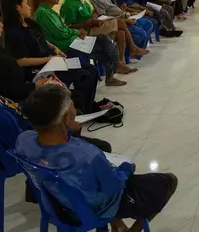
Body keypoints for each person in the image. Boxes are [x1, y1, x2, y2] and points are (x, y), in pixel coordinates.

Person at [16, 84, 177, 232]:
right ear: (65, 116)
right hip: (92, 210)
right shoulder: (88, 155)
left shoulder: (23, 141)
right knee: (168, 181)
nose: (74, 107)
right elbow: (114, 187)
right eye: (71, 103)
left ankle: (117, 224)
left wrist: (69, 132)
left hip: (56, 203)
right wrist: (126, 169)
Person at [0, 0, 104, 113]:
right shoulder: (13, 33)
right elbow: (21, 61)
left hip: (52, 61)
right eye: (26, 4)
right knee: (83, 75)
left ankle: (88, 105)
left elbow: (42, 39)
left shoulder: (29, 23)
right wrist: (49, 59)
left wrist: (55, 49)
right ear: (17, 7)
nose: (29, 7)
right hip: (40, 69)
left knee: (91, 69)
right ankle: (80, 110)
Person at [34, 0, 127, 86]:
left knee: (103, 39)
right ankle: (116, 67)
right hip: (66, 45)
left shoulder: (49, 11)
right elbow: (60, 33)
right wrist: (77, 32)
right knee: (105, 49)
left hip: (73, 40)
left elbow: (63, 29)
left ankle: (115, 67)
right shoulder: (43, 12)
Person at [60, 0, 146, 70]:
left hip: (95, 25)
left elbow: (92, 11)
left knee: (121, 33)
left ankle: (120, 63)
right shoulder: (68, 4)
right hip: (86, 32)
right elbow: (68, 26)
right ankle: (132, 48)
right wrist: (86, 23)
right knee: (121, 23)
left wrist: (94, 16)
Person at [87, 0, 154, 51]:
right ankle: (132, 51)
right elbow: (104, 17)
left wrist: (130, 13)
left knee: (148, 24)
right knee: (141, 34)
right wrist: (125, 19)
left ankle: (135, 52)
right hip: (118, 21)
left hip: (125, 15)